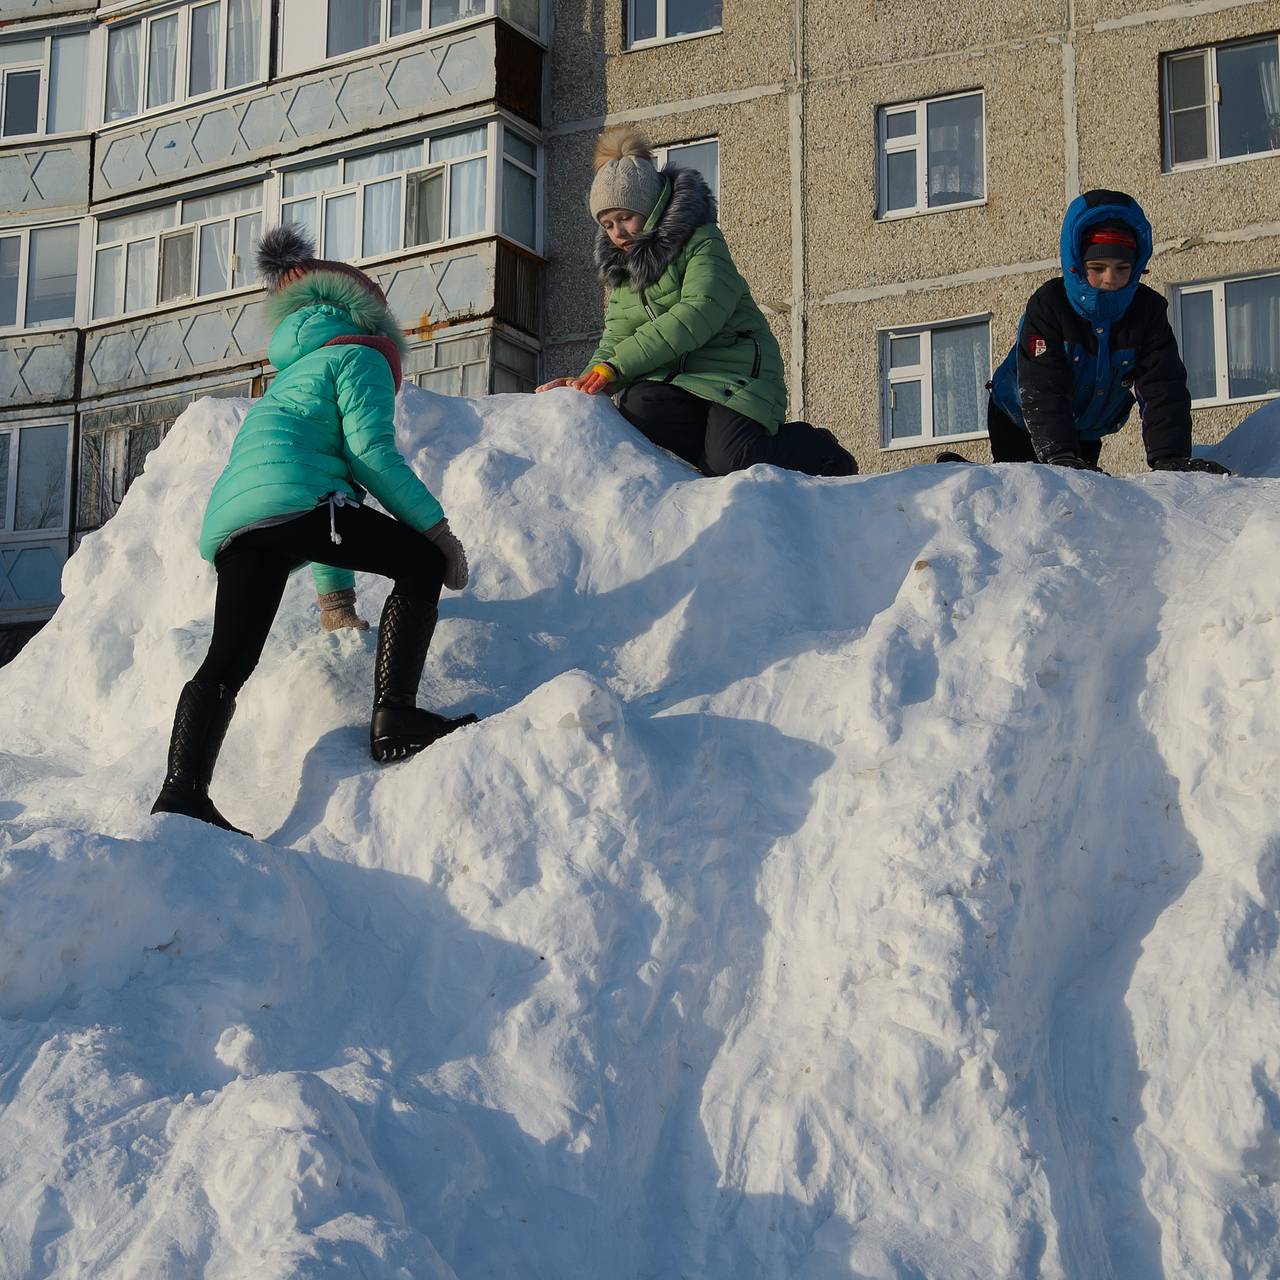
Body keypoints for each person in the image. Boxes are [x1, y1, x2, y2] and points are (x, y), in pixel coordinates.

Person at [151, 225, 476, 837]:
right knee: (421, 565)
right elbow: (369, 458)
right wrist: (438, 533)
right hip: (299, 507)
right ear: (372, 318)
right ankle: (396, 719)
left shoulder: (289, 378)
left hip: (240, 524)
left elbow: (320, 498)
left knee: (228, 659)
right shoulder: (361, 357)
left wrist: (335, 597)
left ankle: (181, 791)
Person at [536, 126, 855, 479]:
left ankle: (818, 449)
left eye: (625, 217)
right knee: (637, 405)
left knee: (732, 462)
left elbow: (697, 314)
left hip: (736, 376)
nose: (619, 233)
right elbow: (616, 339)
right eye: (608, 224)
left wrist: (617, 367)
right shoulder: (626, 274)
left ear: (652, 205)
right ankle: (710, 456)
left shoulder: (703, 242)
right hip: (683, 382)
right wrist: (587, 382)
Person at [979, 188, 1229, 475]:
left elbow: (1163, 386)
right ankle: (960, 475)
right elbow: (1042, 386)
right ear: (1077, 265)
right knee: (1026, 491)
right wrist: (1059, 455)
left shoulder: (1146, 313)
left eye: (1122, 267)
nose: (1111, 279)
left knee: (1081, 497)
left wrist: (1169, 457)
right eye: (1097, 267)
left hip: (1085, 427)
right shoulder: (1050, 307)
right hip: (1018, 416)